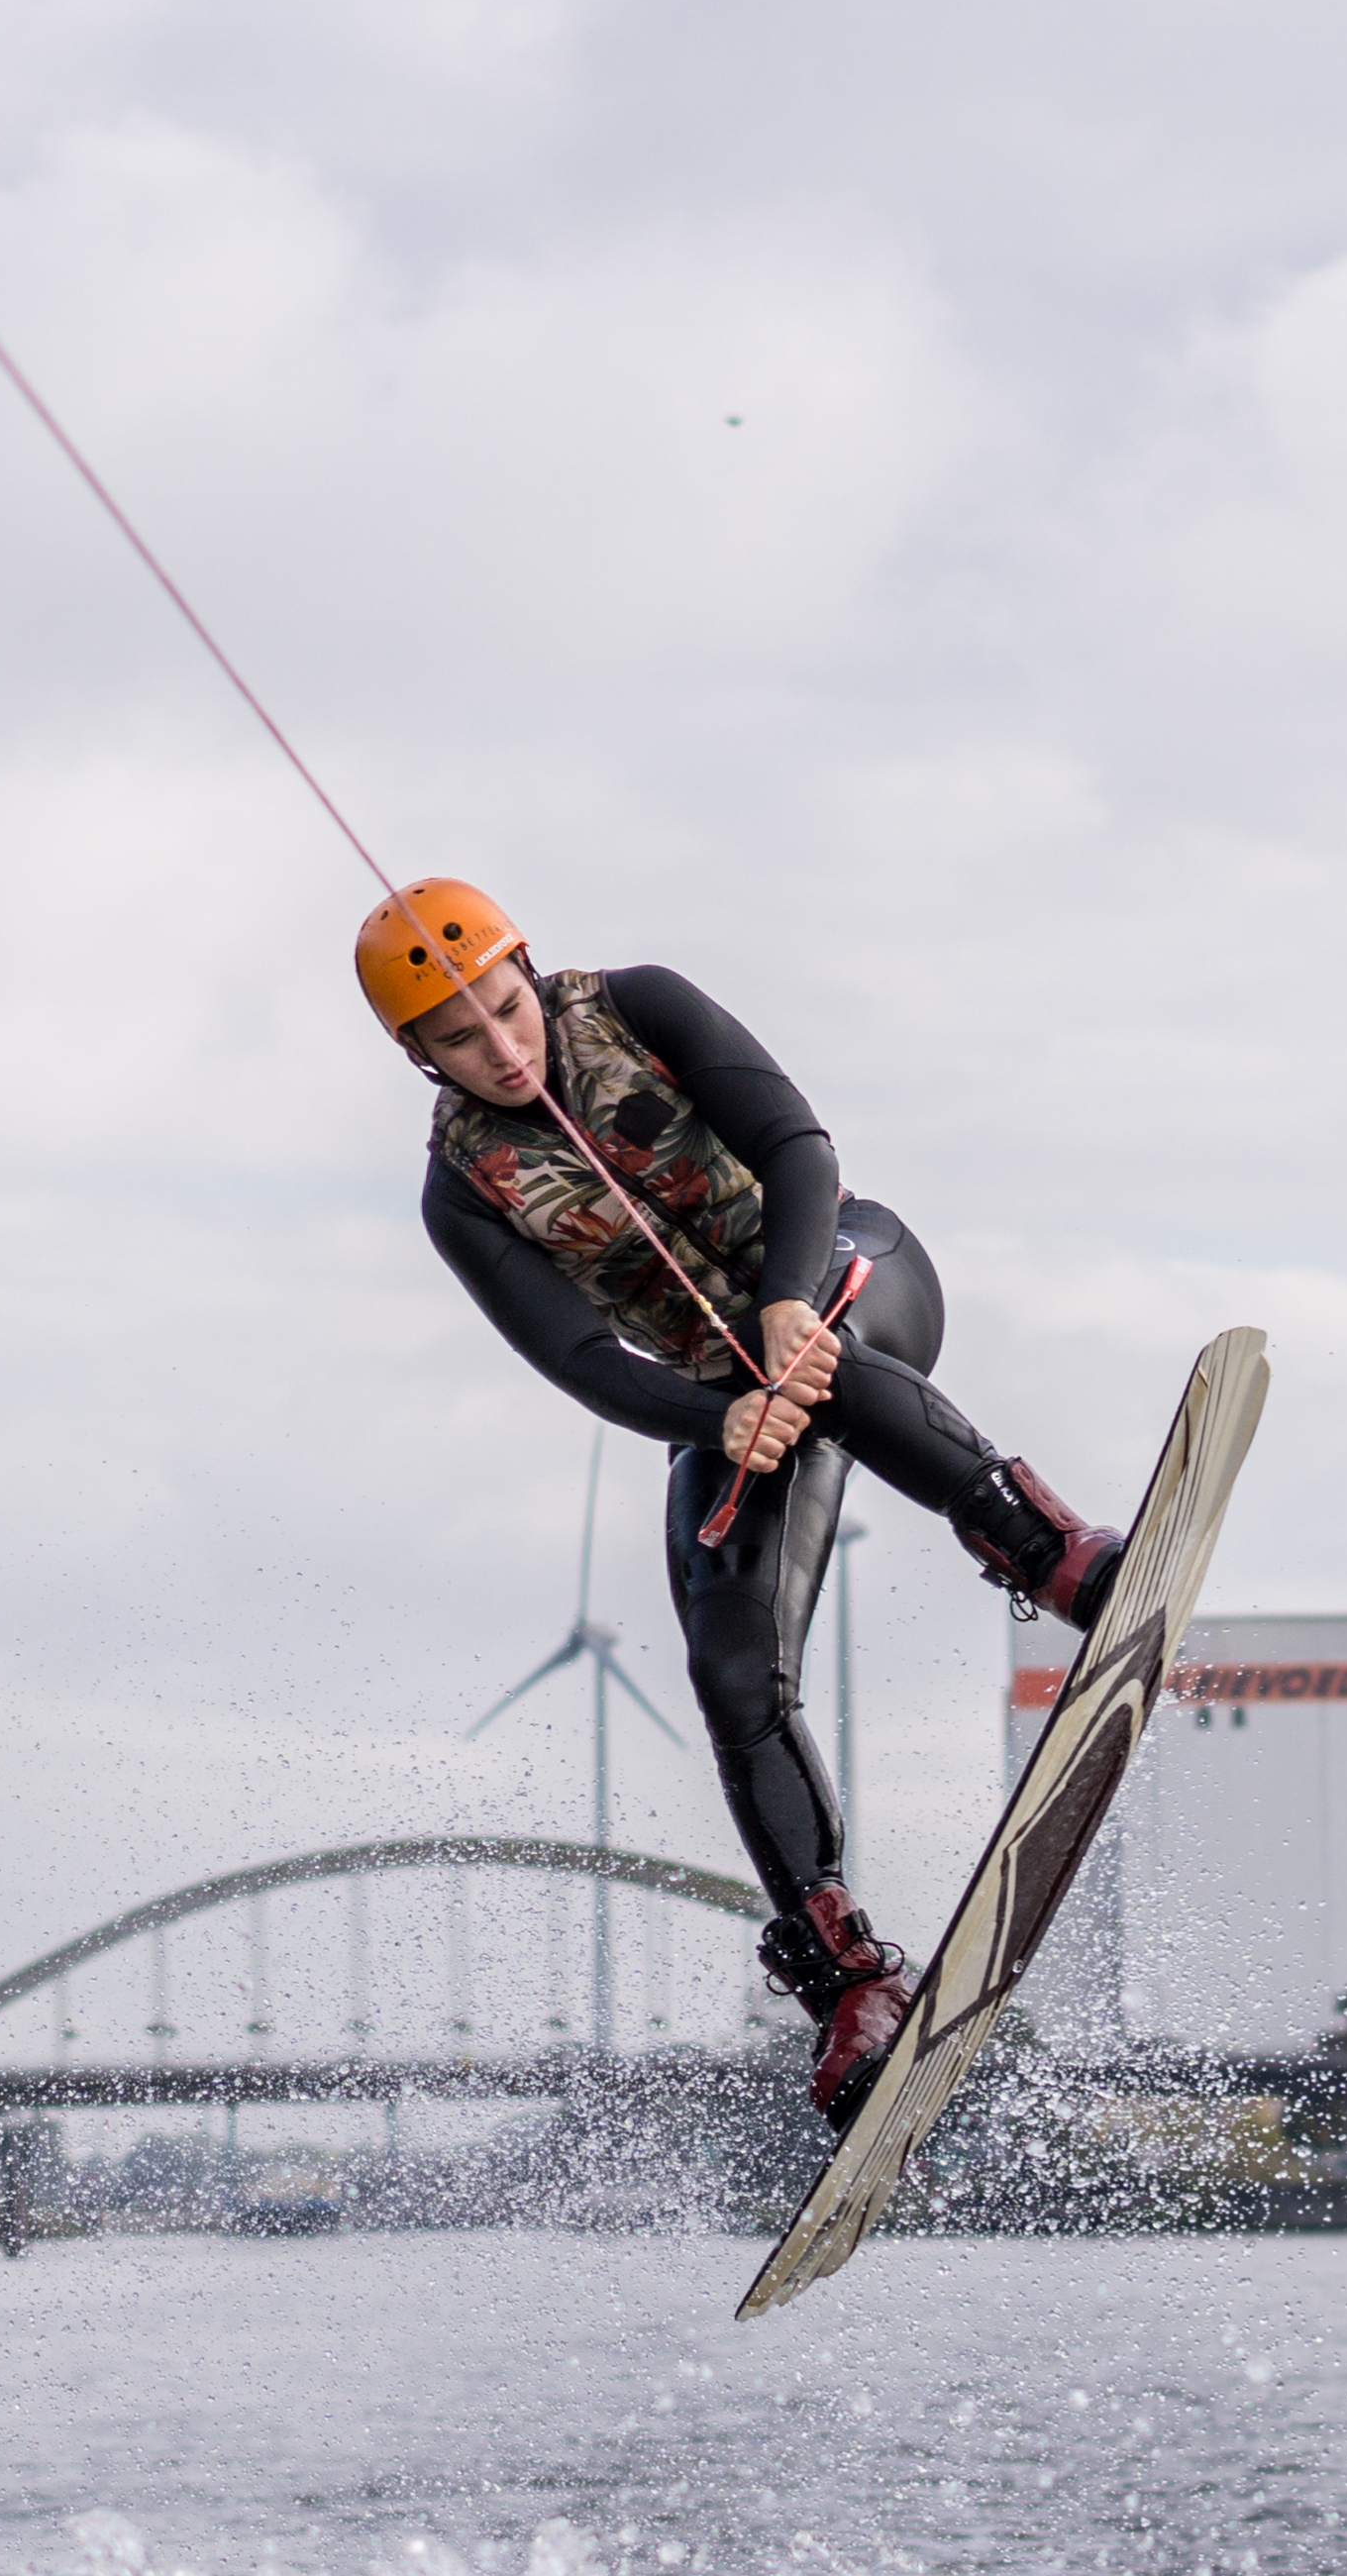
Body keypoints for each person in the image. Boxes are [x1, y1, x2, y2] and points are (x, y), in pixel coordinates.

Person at [365, 878, 1123, 2121]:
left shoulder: (639, 1004)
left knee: (817, 1360)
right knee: (728, 1666)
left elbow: (796, 1147)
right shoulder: (463, 1192)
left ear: (528, 974)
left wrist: (782, 1299)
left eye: (505, 1009)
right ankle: (852, 1983)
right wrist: (713, 1415)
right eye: (459, 1038)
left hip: (851, 1277)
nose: (501, 1050)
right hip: (725, 1397)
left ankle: (1048, 1548)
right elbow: (580, 1360)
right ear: (416, 1056)